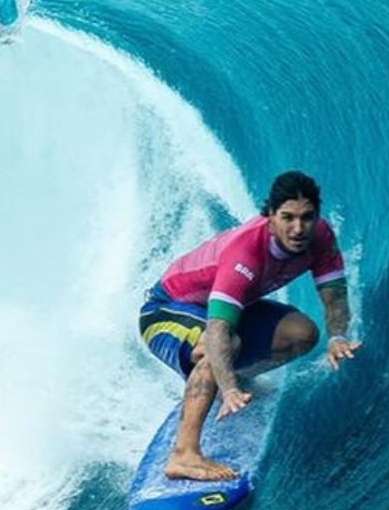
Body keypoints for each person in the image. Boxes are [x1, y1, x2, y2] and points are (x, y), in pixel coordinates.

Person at [138, 171, 361, 481]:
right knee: (224, 345)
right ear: (269, 215)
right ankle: (184, 455)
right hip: (167, 311)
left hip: (228, 310)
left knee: (303, 334)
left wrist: (337, 337)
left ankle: (218, 384)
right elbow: (217, 331)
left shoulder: (320, 237)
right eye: (288, 217)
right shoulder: (245, 251)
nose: (298, 228)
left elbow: (334, 297)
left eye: (307, 217)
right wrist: (229, 387)